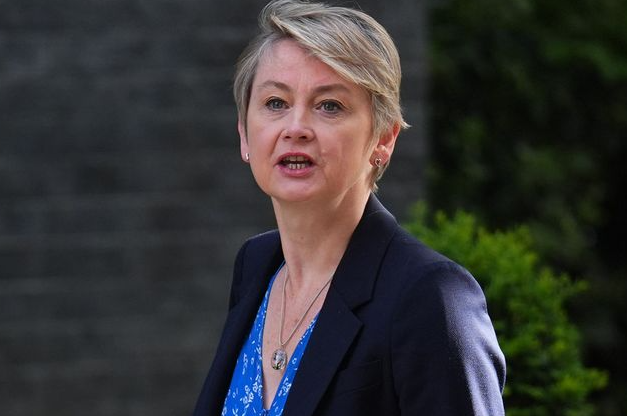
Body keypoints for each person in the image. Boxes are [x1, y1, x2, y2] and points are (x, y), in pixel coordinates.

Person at [193, 0, 506, 415]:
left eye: (329, 106)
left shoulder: (430, 297)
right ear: (244, 133)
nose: (296, 128)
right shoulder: (256, 266)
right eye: (275, 103)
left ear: (384, 138)